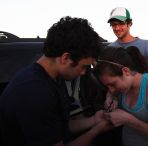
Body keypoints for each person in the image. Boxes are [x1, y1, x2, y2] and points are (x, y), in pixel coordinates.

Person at [0, 16, 111, 146]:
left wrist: (93, 120)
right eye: (84, 66)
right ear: (65, 58)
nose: (84, 73)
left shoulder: (50, 78)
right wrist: (95, 131)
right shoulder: (35, 92)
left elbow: (56, 127)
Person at [94, 46, 148, 146]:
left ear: (126, 71)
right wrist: (110, 97)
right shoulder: (122, 86)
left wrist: (129, 120)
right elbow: (112, 93)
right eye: (107, 86)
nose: (111, 89)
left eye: (112, 84)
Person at [107, 7, 148, 75]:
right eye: (114, 24)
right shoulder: (109, 49)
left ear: (130, 24)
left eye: (121, 23)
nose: (117, 28)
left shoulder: (146, 45)